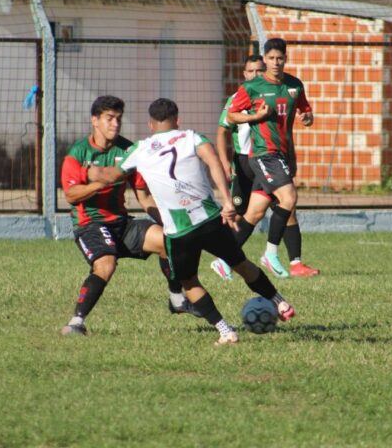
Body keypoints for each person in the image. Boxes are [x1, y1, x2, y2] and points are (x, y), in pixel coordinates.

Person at [87, 98, 296, 345]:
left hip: (179, 231)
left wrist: (92, 171)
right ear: (177, 120)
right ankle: (280, 302)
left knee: (189, 281)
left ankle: (225, 331)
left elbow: (112, 176)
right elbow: (213, 161)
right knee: (241, 264)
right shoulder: (191, 137)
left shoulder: (140, 150)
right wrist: (227, 201)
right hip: (209, 219)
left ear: (150, 124)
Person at [59, 95, 199, 337]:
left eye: (119, 119)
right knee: (106, 265)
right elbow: (71, 196)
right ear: (95, 120)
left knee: (168, 240)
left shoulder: (128, 151)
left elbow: (144, 197)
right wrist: (101, 183)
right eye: (109, 118)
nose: (115, 124)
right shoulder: (78, 153)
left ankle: (177, 300)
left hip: (122, 225)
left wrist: (169, 222)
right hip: (90, 224)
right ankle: (75, 322)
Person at [211, 53, 320, 279]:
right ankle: (261, 255)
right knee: (271, 204)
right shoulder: (241, 95)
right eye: (251, 71)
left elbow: (287, 126)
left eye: (259, 70)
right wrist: (224, 162)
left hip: (272, 157)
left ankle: (294, 262)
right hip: (249, 160)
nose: (256, 74)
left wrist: (291, 156)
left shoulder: (282, 89)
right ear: (244, 73)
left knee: (269, 208)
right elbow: (224, 127)